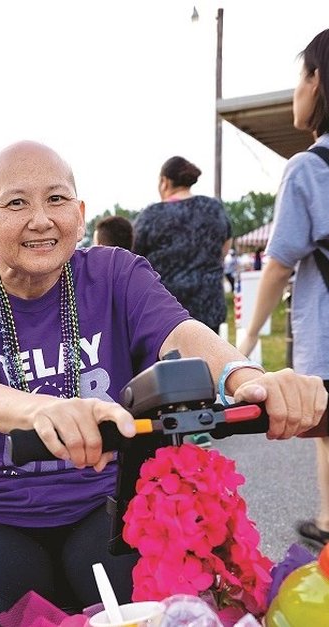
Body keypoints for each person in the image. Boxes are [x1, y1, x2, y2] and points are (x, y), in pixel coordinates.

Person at [0, 140, 327, 626]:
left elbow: (181, 331)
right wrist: (43, 410)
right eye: (15, 202)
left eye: (57, 199)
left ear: (81, 214)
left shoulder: (115, 273)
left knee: (174, 615)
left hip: (105, 505)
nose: (42, 218)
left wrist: (247, 377)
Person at [238, 29, 329, 548]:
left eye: (302, 76)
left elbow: (278, 265)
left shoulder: (309, 169)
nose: (297, 89)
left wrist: (247, 342)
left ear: (319, 83)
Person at [133, 156, 232, 334]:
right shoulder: (214, 208)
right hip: (209, 307)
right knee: (209, 360)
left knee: (171, 362)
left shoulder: (151, 216)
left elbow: (134, 257)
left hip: (167, 311)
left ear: (164, 182)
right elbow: (225, 246)